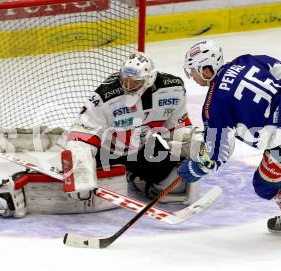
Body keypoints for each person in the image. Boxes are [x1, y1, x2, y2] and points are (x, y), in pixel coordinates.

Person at [178, 39, 281, 236]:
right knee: (272, 179)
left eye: (193, 71)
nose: (192, 76)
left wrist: (197, 167)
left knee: (264, 185)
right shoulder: (244, 61)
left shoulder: (215, 103)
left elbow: (218, 154)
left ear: (206, 69)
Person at [66, 51, 197, 204]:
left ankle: (138, 179)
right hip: (108, 152)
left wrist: (190, 147)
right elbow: (82, 132)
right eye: (125, 80)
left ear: (149, 79)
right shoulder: (106, 95)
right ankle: (127, 174)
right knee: (87, 196)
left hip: (142, 150)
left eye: (135, 82)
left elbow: (178, 128)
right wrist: (81, 171)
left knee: (177, 185)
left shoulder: (172, 90)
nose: (128, 86)